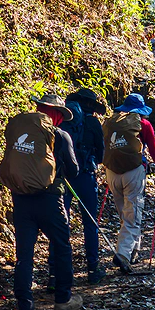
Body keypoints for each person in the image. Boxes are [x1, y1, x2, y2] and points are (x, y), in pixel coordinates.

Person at [2, 94, 82, 310]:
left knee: (24, 254)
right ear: (57, 114)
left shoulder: (20, 130)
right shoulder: (60, 135)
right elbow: (74, 171)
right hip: (50, 200)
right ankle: (63, 300)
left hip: (21, 199)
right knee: (62, 245)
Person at [47, 89, 107, 286]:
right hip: (85, 177)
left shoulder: (63, 121)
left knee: (60, 224)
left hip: (62, 177)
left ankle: (55, 275)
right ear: (91, 105)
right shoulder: (93, 123)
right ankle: (93, 269)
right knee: (90, 223)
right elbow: (101, 155)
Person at [102, 93, 155, 274]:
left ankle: (133, 251)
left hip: (112, 172)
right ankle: (122, 254)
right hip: (133, 172)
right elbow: (153, 148)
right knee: (133, 214)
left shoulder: (110, 123)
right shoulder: (143, 124)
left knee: (125, 213)